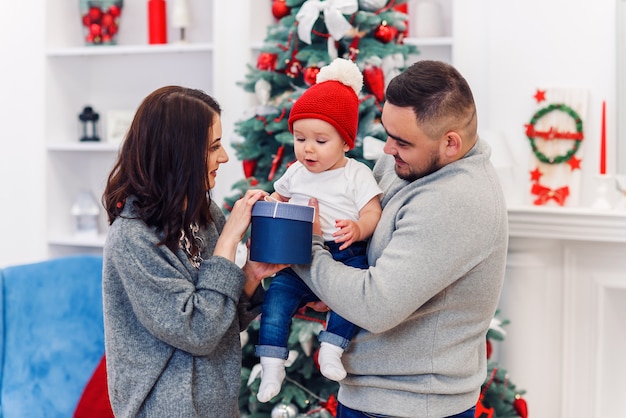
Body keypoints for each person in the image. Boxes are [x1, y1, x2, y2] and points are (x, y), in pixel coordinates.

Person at [289, 60, 509, 418]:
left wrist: (304, 246)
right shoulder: (408, 164)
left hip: (411, 406)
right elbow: (374, 266)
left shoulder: (455, 200)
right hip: (374, 396)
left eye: (402, 141)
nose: (387, 150)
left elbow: (376, 305)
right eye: (388, 133)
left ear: (451, 142)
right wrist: (328, 292)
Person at [101, 86, 286, 417]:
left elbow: (222, 321)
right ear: (179, 152)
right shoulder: (131, 239)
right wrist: (229, 241)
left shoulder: (203, 214)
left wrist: (251, 275)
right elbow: (197, 331)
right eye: (214, 146)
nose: (225, 156)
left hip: (216, 406)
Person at [255, 58, 383, 402]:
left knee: (351, 294)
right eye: (300, 138)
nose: (308, 148)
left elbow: (373, 212)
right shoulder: (296, 170)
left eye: (320, 141)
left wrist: (358, 228)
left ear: (345, 142)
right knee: (278, 298)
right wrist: (265, 202)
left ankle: (332, 347)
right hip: (298, 251)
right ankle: (271, 363)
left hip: (343, 250)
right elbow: (277, 198)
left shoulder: (356, 174)